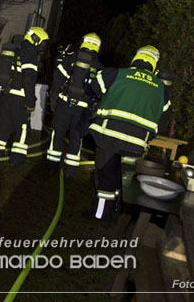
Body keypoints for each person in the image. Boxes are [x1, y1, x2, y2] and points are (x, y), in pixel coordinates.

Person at [84, 45, 170, 222]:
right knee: (124, 176)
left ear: (135, 59)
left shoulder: (119, 74)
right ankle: (117, 206)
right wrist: (148, 135)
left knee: (106, 173)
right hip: (137, 143)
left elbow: (95, 86)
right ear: (154, 65)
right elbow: (164, 118)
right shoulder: (161, 88)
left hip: (108, 135)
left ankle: (101, 215)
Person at [47, 32, 103, 178]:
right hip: (83, 109)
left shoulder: (71, 59)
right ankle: (70, 172)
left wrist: (53, 102)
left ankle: (52, 166)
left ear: (82, 42)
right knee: (76, 139)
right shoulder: (99, 67)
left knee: (57, 134)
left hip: (64, 103)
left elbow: (57, 81)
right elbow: (100, 92)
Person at [0, 26, 49, 165]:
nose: (43, 46)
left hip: (6, 96)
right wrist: (30, 101)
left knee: (3, 127)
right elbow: (28, 80)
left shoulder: (17, 51)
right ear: (35, 40)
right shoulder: (30, 55)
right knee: (23, 130)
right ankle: (18, 160)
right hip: (19, 99)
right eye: (42, 43)